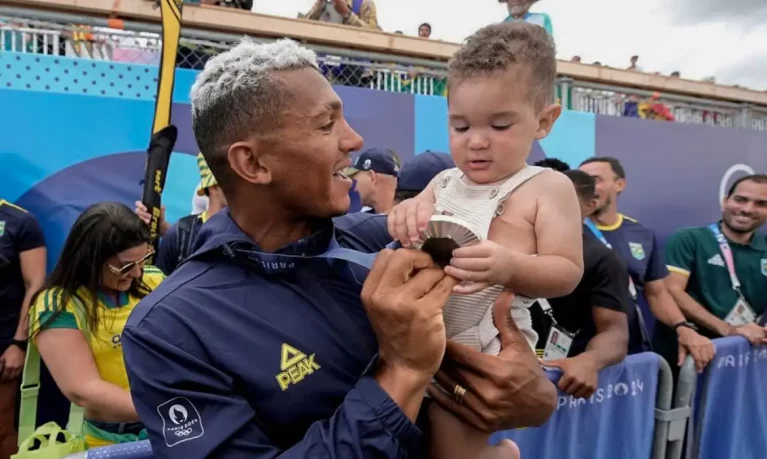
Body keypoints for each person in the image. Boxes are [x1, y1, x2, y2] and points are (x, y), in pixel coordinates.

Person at [122, 37, 556, 458]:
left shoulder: (391, 237)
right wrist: (401, 372)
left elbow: (509, 336)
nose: (353, 140)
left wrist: (528, 391)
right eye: (327, 124)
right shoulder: (170, 329)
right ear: (252, 163)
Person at [389, 22, 583, 459]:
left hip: (485, 342)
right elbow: (404, 220)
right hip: (420, 332)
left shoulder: (547, 187)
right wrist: (404, 216)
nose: (476, 142)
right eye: (460, 127)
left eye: (499, 125)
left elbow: (567, 271)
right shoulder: (442, 181)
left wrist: (510, 267)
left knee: (452, 444)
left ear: (544, 121)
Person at [28, 202, 164, 448]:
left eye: (143, 258)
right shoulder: (58, 303)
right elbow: (83, 388)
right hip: (107, 442)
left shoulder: (153, 280)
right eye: (124, 266)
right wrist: (167, 410)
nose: (136, 273)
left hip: (170, 432)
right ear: (90, 259)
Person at [578, 157, 715, 374]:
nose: (589, 188)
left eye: (596, 180)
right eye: (583, 181)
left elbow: (656, 294)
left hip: (627, 350)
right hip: (576, 351)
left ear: (619, 184)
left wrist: (682, 327)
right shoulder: (566, 229)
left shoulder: (641, 234)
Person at [532, 170, 629, 399]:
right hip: (507, 371)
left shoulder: (604, 260)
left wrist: (589, 361)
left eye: (563, 200)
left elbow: (614, 331)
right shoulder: (509, 243)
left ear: (590, 205)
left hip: (562, 383)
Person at [660, 175, 767, 358]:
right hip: (689, 352)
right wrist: (728, 330)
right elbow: (672, 290)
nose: (747, 209)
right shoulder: (689, 239)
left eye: (761, 204)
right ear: (725, 201)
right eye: (740, 200)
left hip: (742, 353)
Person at [0, 199, 46, 457]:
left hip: (4, 344)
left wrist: (19, 343)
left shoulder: (20, 222)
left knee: (2, 425)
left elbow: (36, 283)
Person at [344, 147, 400, 214]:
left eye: (356, 180)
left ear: (372, 177)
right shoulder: (409, 216)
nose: (355, 188)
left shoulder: (411, 220)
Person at [304, 0, 379, 29]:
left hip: (352, 61)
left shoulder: (366, 4)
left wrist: (347, 14)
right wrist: (319, 5)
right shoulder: (322, 3)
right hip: (321, 59)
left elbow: (373, 35)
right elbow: (303, 28)